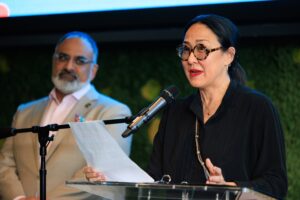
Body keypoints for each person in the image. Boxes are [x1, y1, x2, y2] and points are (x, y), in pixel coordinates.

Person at [84, 14, 288, 199]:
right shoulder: (175, 111)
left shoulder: (257, 108)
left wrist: (231, 187)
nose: (190, 59)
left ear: (229, 55)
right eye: (186, 49)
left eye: (201, 49)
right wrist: (109, 178)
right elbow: (155, 180)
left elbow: (276, 184)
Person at [0, 31, 132, 200]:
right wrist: (18, 198)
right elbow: (4, 164)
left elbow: (106, 172)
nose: (69, 66)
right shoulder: (24, 111)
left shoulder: (114, 112)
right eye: (63, 57)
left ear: (93, 70)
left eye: (80, 61)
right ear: (54, 60)